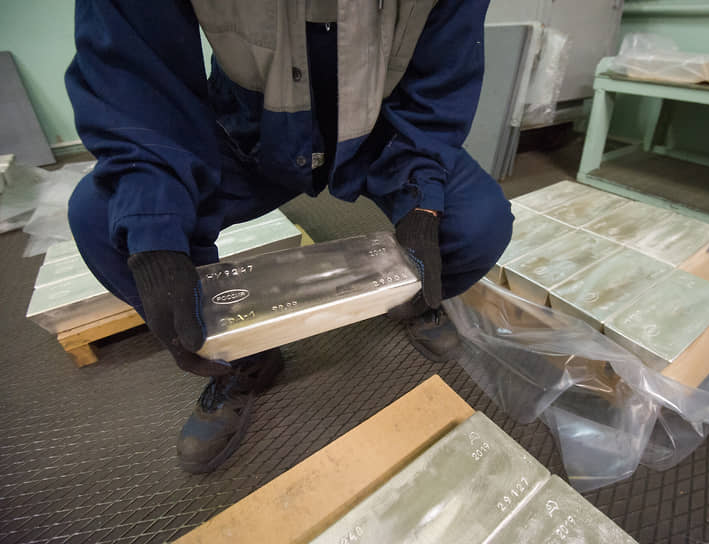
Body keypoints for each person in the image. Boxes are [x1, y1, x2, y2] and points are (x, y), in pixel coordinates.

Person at [65, 0, 513, 473]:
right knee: (102, 221)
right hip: (250, 131)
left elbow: (440, 83)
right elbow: (137, 74)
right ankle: (243, 359)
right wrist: (154, 227)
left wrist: (423, 195)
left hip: (383, 135)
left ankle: (412, 296)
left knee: (478, 224)